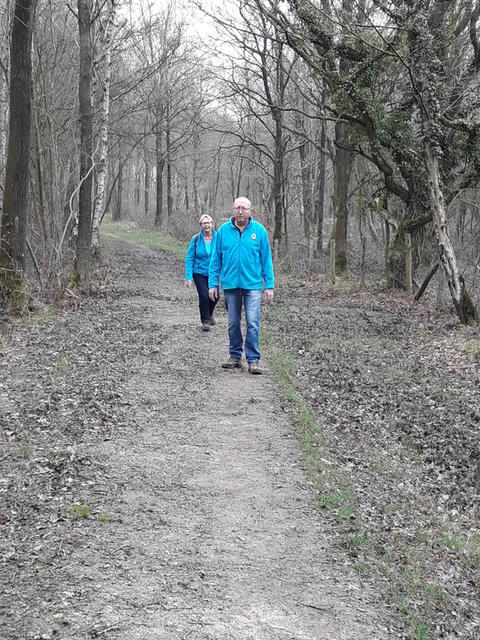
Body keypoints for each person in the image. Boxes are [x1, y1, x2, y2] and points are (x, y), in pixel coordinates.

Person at [208, 196, 274, 374]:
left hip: (252, 285)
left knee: (252, 322)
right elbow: (215, 260)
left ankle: (253, 359)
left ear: (250, 211)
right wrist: (213, 284)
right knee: (233, 323)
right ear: (233, 210)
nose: (240, 211)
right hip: (230, 285)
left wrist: (269, 285)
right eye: (237, 207)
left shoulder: (259, 231)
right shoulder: (223, 231)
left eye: (244, 208)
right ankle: (235, 356)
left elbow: (266, 260)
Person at [185, 214, 218, 331]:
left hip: (214, 272)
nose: (207, 225)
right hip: (199, 272)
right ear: (201, 225)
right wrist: (188, 277)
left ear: (212, 224)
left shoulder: (218, 237)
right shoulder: (196, 239)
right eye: (204, 223)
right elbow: (189, 258)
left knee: (215, 297)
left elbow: (224, 255)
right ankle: (205, 321)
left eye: (208, 223)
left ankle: (209, 313)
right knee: (204, 295)